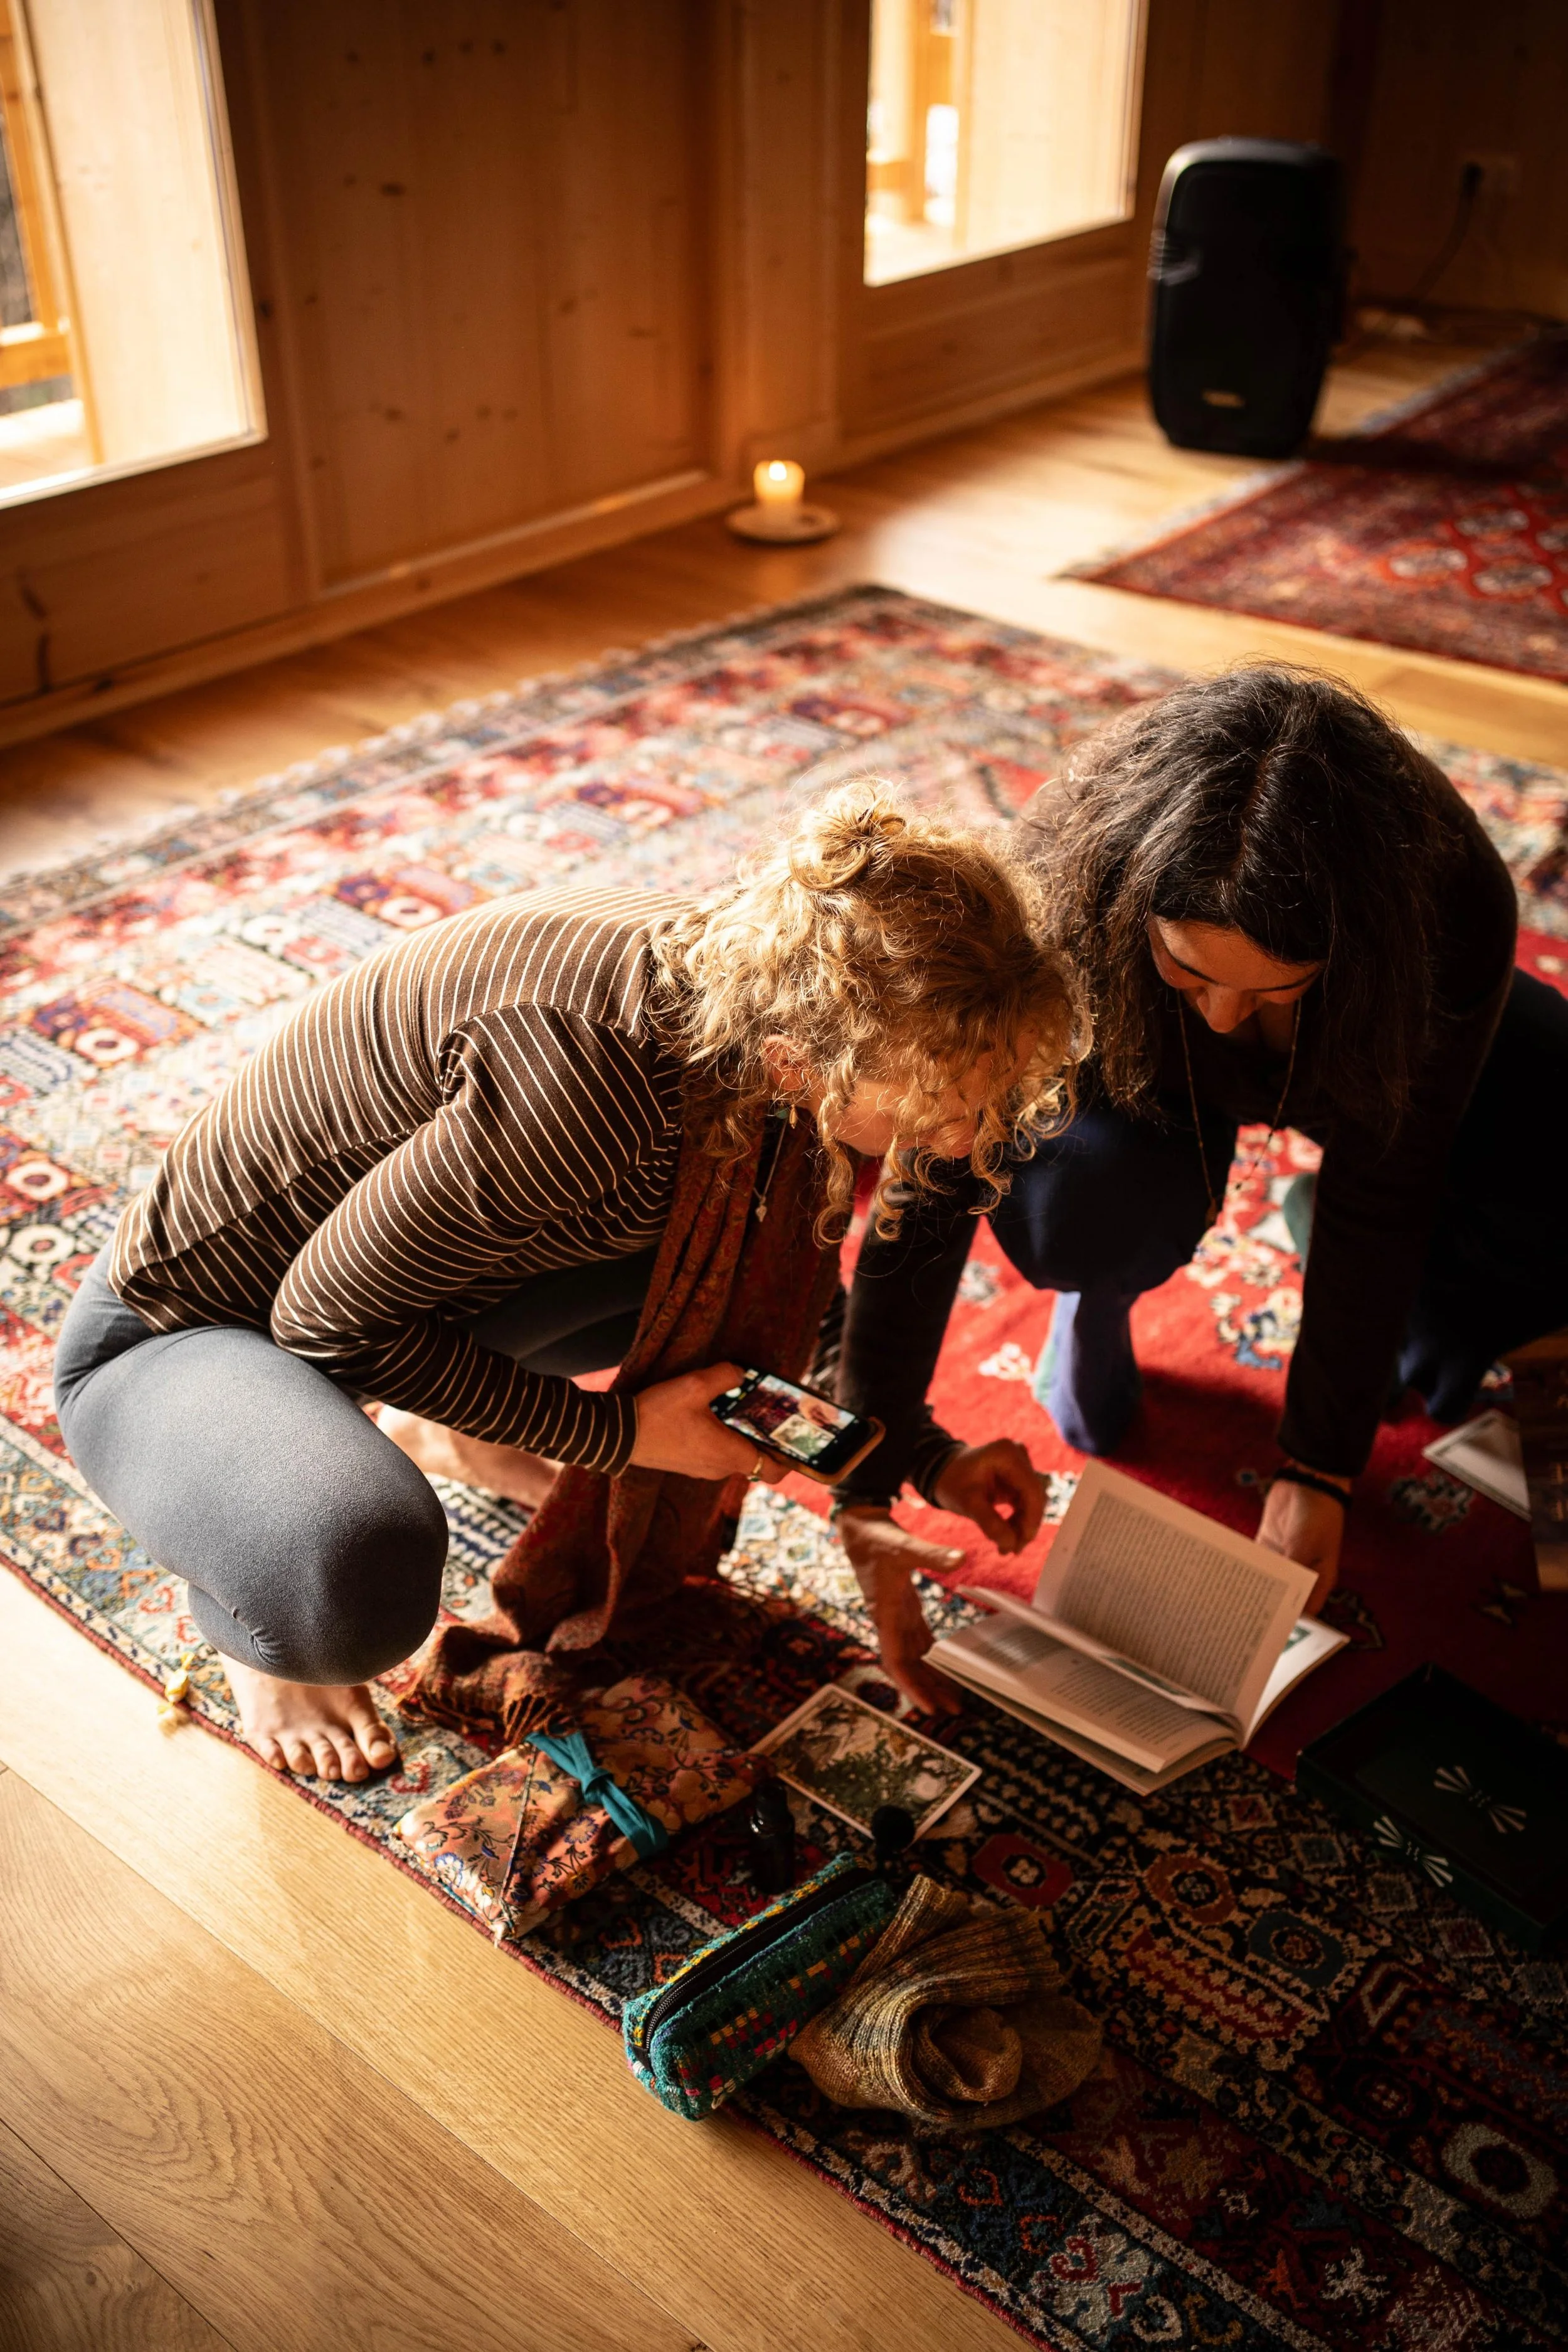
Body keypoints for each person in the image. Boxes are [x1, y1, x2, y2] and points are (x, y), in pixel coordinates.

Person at [54, 786, 1081, 1777]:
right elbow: (324, 1321)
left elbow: (782, 1304)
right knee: (357, 1583)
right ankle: (247, 1598)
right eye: (943, 1103)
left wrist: (917, 1454)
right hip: (181, 1338)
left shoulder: (772, 997)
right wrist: (622, 1434)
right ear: (802, 1062)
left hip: (386, 1289)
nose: (965, 1138)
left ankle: (444, 1424)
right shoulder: (593, 1092)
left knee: (694, 1282)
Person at [835, 667, 1568, 1683]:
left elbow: (1388, 1182)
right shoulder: (1063, 872)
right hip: (1134, 1068)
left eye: (1266, 987)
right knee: (1091, 1205)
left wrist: (1319, 1465)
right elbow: (937, 1151)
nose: (1224, 1014)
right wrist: (868, 1459)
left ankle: (1382, 1261)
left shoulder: (1450, 905)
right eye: (1192, 972)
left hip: (1361, 1046)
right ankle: (1103, 1282)